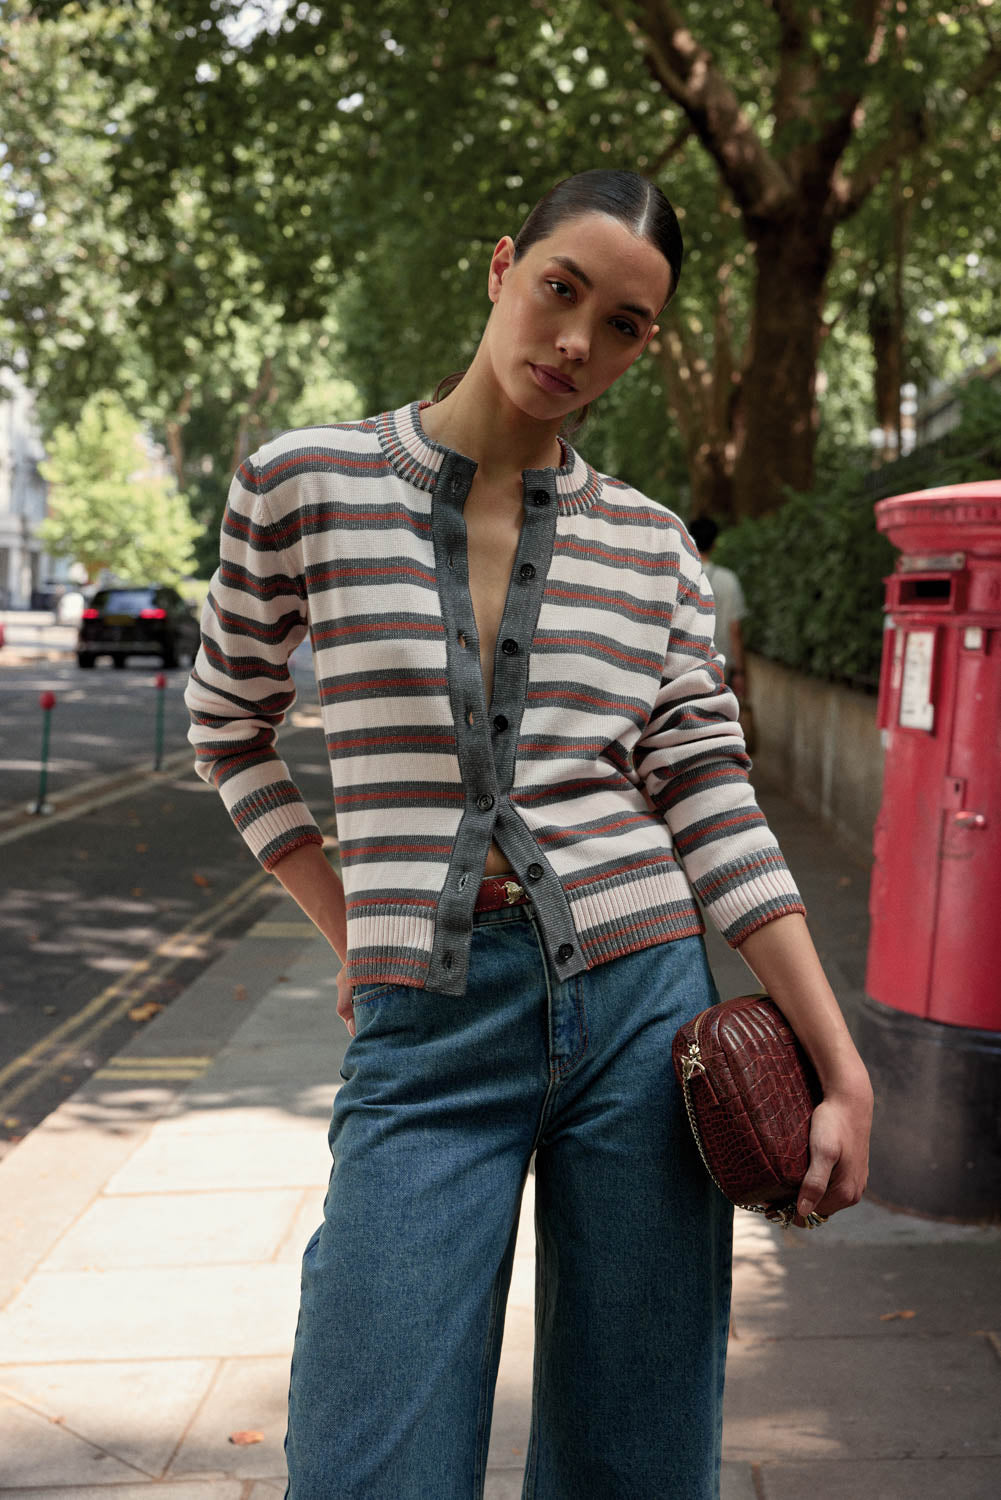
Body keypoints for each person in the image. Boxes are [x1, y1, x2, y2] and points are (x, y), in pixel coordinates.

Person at [185, 168, 873, 1500]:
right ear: (503, 266)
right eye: (560, 289)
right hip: (424, 1037)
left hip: (641, 1019)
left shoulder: (654, 551)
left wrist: (838, 1065)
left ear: (643, 345)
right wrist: (354, 927)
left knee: (636, 1462)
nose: (574, 341)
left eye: (621, 325)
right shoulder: (302, 484)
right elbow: (228, 728)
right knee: (368, 1460)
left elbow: (709, 795)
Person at [689, 513, 747, 699]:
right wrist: (739, 672)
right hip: (720, 668)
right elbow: (735, 629)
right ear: (714, 544)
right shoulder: (729, 580)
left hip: (687, 667)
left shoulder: (681, 576)